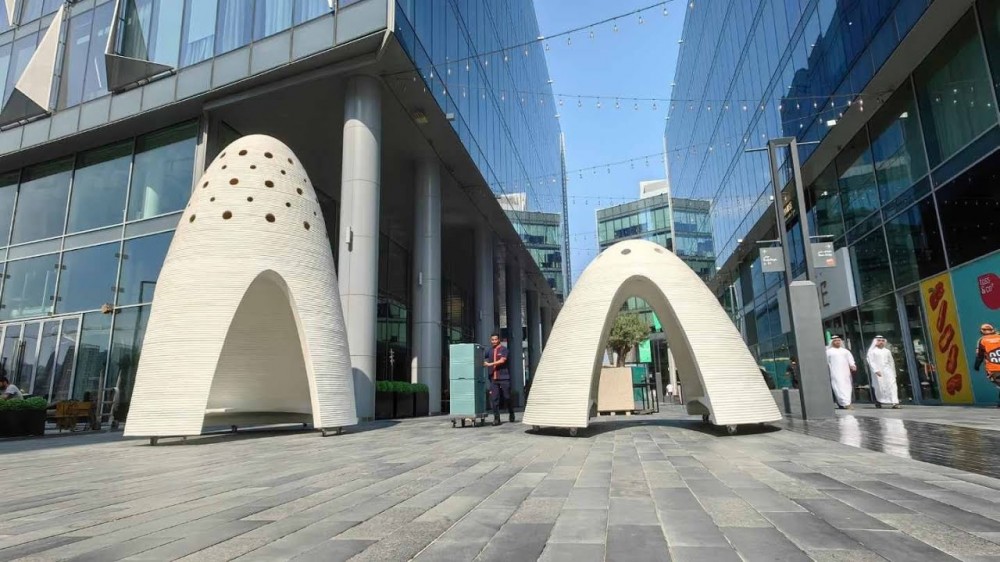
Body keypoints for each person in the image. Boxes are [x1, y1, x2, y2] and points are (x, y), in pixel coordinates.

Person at [483, 333, 515, 425]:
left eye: (495, 339)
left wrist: (490, 364)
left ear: (499, 340)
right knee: (494, 398)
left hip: (504, 377)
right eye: (492, 340)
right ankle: (497, 419)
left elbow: (502, 360)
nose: (494, 341)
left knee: (507, 397)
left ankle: (511, 412)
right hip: (493, 378)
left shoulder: (504, 349)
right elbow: (481, 356)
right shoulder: (489, 351)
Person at [866, 336, 899, 409]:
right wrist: (876, 370)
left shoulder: (887, 351)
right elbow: (871, 362)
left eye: (882, 341)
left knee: (892, 385)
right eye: (879, 340)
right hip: (878, 373)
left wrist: (893, 372)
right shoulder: (872, 352)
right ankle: (879, 401)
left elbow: (891, 362)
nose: (881, 342)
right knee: (879, 387)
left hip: (888, 371)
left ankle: (895, 402)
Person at [826, 335, 856, 409]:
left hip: (846, 373)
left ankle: (845, 402)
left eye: (839, 340)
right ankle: (845, 403)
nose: (837, 342)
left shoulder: (845, 351)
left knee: (847, 387)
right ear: (832, 342)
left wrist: (852, 365)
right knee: (838, 387)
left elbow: (851, 360)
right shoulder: (828, 352)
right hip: (835, 373)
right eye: (835, 341)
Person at [974, 323, 1000, 408]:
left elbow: (979, 356)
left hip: (993, 370)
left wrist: (977, 366)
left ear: (981, 331)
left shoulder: (982, 340)